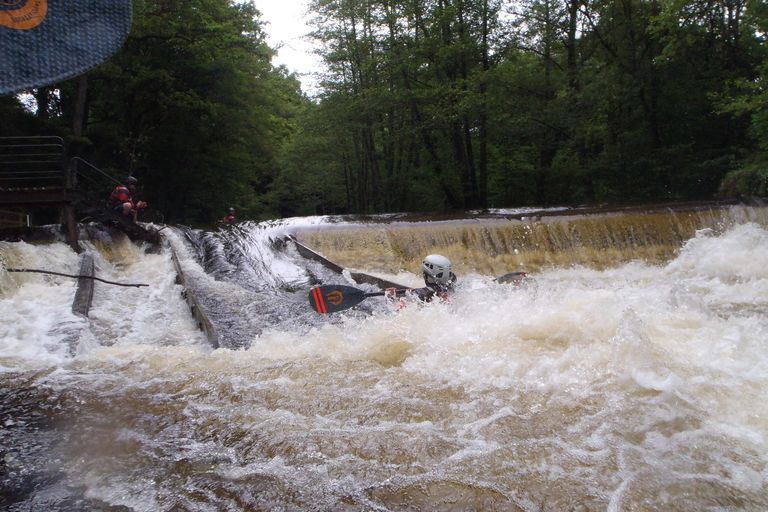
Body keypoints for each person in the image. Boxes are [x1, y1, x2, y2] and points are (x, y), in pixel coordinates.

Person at [386, 254, 457, 305]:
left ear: (426, 275)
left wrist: (391, 298)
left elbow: (399, 313)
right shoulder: (451, 285)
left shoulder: (419, 293)